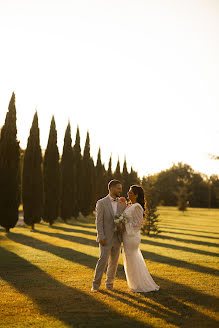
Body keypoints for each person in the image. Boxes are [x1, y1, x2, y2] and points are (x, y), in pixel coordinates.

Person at [122, 185, 160, 292]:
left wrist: (123, 225)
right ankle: (134, 284)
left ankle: (140, 285)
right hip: (126, 236)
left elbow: (138, 224)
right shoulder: (129, 205)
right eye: (128, 192)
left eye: (130, 192)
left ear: (136, 195)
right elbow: (123, 217)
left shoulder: (137, 207)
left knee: (133, 259)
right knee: (129, 259)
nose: (128, 194)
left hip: (132, 236)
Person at [91, 179, 126, 291]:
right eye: (118, 188)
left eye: (121, 188)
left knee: (114, 263)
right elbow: (98, 221)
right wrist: (101, 236)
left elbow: (120, 219)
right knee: (102, 261)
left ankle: (109, 285)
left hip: (117, 237)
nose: (120, 190)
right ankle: (95, 286)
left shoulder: (121, 202)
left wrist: (121, 225)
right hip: (106, 237)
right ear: (111, 188)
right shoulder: (101, 203)